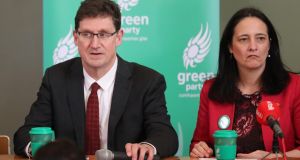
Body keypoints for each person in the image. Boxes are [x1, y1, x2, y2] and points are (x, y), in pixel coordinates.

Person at [14, 0, 178, 159]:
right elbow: (25, 135)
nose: (94, 44)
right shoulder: (56, 77)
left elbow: (166, 135)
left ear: (118, 37)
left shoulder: (147, 81)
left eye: (103, 34)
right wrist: (42, 150)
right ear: (76, 38)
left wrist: (147, 147)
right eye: (86, 34)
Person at [190, 7, 300, 159]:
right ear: (230, 47)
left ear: (269, 45)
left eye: (260, 38)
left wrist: (274, 157)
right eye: (244, 39)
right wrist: (200, 149)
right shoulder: (211, 89)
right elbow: (199, 143)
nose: (253, 47)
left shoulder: (295, 86)